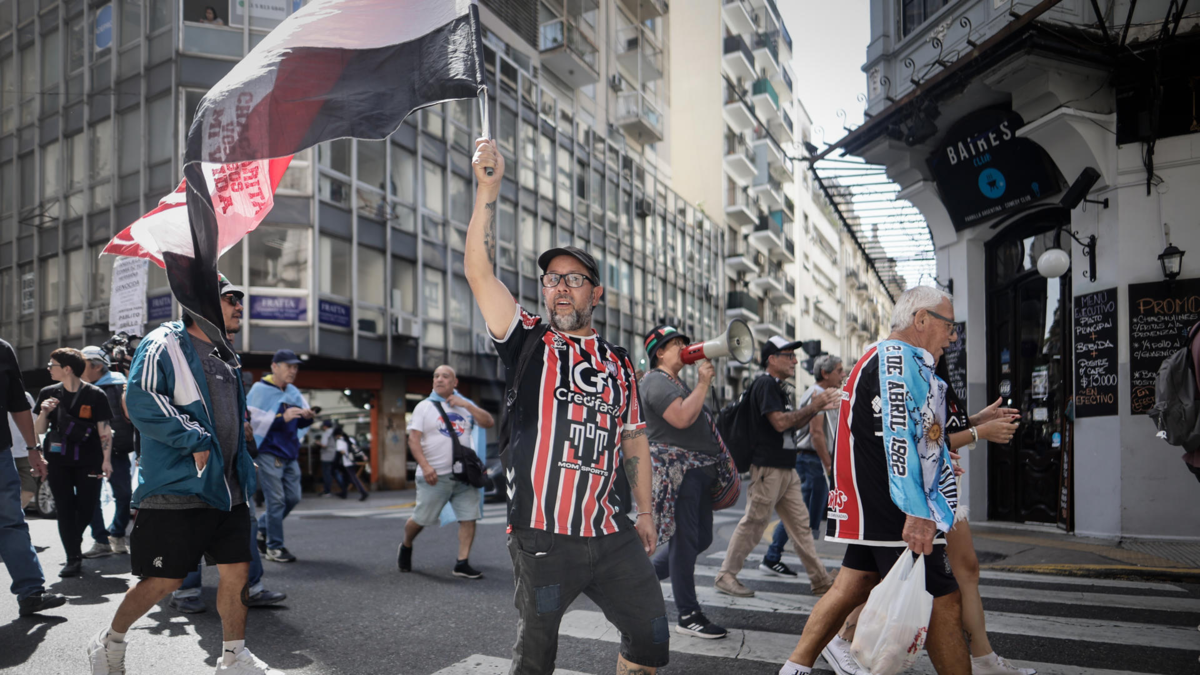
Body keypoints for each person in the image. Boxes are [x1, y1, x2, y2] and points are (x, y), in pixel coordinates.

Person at [467, 138, 668, 674]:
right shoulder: (527, 339)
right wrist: (488, 191)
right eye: (552, 279)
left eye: (575, 279)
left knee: (650, 639)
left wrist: (645, 511)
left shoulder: (619, 362)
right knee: (536, 659)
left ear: (595, 294)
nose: (561, 288)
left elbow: (633, 439)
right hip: (542, 538)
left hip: (611, 531)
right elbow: (479, 273)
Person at [88, 272, 281, 674]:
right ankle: (109, 642)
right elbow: (140, 399)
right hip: (178, 485)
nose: (239, 306)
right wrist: (194, 439)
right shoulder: (164, 342)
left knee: (237, 571)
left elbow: (226, 413)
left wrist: (242, 449)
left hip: (228, 487)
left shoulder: (227, 354)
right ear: (200, 302)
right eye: (230, 298)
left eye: (239, 299)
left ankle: (234, 657)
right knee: (166, 579)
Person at [781, 286, 970, 675]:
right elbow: (898, 441)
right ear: (921, 320)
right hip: (895, 505)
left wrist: (939, 459)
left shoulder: (888, 357)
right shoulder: (897, 359)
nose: (952, 337)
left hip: (877, 503)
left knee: (853, 585)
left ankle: (795, 669)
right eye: (949, 326)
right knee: (944, 601)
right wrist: (917, 512)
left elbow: (912, 434)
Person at [819, 362, 1029, 675]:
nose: (951, 339)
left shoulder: (930, 369)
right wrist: (978, 432)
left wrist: (975, 421)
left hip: (939, 488)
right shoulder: (905, 368)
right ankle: (840, 639)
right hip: (918, 494)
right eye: (947, 334)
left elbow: (936, 431)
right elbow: (910, 441)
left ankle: (981, 656)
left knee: (962, 569)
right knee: (881, 576)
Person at [170, 322, 288, 616]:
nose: (231, 336)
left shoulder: (233, 363)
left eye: (233, 333)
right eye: (225, 332)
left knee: (246, 525)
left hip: (235, 462)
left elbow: (237, 408)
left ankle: (252, 588)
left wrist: (244, 431)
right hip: (199, 460)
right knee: (193, 524)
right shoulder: (185, 355)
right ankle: (185, 590)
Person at [714, 336, 840, 599]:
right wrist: (814, 406)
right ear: (772, 359)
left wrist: (813, 410)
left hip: (785, 467)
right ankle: (726, 575)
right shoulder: (766, 384)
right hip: (768, 467)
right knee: (755, 522)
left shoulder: (779, 387)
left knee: (800, 526)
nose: (795, 361)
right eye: (789, 356)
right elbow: (780, 422)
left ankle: (819, 579)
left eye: (794, 356)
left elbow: (791, 423)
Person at [640, 325, 728, 639]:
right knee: (685, 541)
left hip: (696, 473)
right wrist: (703, 383)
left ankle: (641, 578)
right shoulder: (655, 380)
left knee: (701, 538)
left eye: (682, 342)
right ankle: (688, 614)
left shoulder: (676, 382)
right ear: (659, 353)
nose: (682, 347)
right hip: (680, 474)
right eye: (675, 343)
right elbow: (680, 418)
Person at [399, 365, 494, 578]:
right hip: (434, 476)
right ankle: (406, 544)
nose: (439, 379)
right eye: (436, 376)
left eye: (445, 376)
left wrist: (467, 404)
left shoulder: (464, 405)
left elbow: (488, 422)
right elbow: (413, 440)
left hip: (465, 476)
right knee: (421, 520)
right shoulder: (424, 407)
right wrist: (425, 466)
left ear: (455, 382)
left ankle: (462, 563)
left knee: (469, 517)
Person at [759, 355, 844, 577]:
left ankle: (775, 557)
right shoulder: (818, 394)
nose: (843, 375)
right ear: (825, 373)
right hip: (812, 460)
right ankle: (774, 557)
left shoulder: (819, 393)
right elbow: (816, 434)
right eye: (839, 370)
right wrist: (829, 466)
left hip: (811, 460)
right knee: (800, 515)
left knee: (800, 514)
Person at [0, 337, 67, 616]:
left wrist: (33, 449)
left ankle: (31, 592)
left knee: (11, 522)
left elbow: (18, 403)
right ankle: (30, 591)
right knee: (11, 523)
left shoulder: (2, 350)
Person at [35, 347, 114, 578]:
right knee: (65, 507)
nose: (49, 369)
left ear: (67, 368)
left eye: (52, 365)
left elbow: (104, 430)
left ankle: (72, 538)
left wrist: (107, 460)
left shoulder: (95, 394)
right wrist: (44, 412)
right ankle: (73, 557)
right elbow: (39, 429)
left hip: (90, 459)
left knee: (87, 506)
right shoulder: (48, 392)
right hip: (58, 460)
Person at [248, 349, 315, 563]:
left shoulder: (293, 391)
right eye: (288, 366)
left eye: (295, 367)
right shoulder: (259, 390)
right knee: (276, 500)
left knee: (293, 498)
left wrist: (307, 417)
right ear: (274, 367)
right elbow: (251, 422)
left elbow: (299, 424)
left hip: (290, 453)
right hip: (268, 452)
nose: (293, 371)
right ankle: (274, 547)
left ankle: (262, 528)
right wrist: (280, 418)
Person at [80, 345, 136, 559]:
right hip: (89, 453)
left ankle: (117, 534)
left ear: (97, 366)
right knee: (90, 496)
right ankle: (101, 540)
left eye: (83, 363)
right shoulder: (79, 388)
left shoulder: (121, 383)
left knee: (124, 494)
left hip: (117, 451)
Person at [9, 390, 38, 510]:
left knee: (29, 489)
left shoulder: (24, 395)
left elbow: (35, 423)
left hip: (24, 450)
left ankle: (10, 515)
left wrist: (37, 449)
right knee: (6, 490)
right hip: (5, 451)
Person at [333, 427, 370, 500]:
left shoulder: (340, 441)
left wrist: (336, 463)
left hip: (347, 462)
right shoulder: (351, 439)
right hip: (354, 461)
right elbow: (356, 448)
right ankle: (344, 492)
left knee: (353, 478)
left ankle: (363, 492)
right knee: (347, 478)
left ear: (337, 435)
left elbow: (341, 452)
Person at [316, 420, 341, 497]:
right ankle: (344, 487)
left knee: (327, 474)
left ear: (325, 426)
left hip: (326, 456)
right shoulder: (334, 432)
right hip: (333, 455)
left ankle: (327, 491)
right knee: (335, 472)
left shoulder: (326, 433)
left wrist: (318, 443)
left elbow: (324, 444)